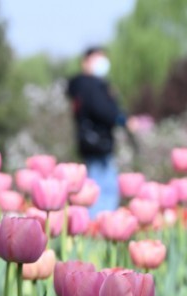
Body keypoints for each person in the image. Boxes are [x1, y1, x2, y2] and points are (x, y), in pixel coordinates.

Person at [67, 47, 138, 218]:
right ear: (85, 62)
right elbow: (103, 111)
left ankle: (95, 224)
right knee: (102, 189)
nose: (102, 62)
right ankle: (99, 224)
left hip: (89, 141)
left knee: (93, 185)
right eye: (97, 58)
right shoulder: (91, 85)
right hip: (99, 143)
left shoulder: (80, 86)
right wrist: (122, 120)